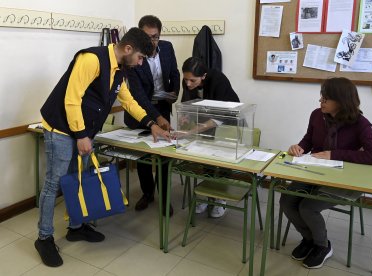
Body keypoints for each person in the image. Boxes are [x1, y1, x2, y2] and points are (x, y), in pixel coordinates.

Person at [36, 27, 170, 267]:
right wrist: (80, 135)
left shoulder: (120, 70)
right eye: (140, 57)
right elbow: (72, 98)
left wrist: (152, 124)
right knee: (54, 182)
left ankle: (76, 227)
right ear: (128, 49)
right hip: (60, 128)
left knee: (78, 178)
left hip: (83, 131)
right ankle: (43, 238)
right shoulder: (91, 59)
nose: (140, 63)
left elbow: (129, 101)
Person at [279, 77, 372, 269]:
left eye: (326, 98)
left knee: (307, 207)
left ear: (342, 101)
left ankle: (322, 245)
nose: (321, 102)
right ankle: (309, 239)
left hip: (344, 181)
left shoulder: (360, 123)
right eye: (321, 97)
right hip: (315, 173)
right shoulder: (316, 115)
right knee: (286, 200)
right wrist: (299, 148)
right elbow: (308, 139)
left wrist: (334, 154)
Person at [124, 15, 180, 216]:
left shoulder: (167, 47)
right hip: (142, 111)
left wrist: (174, 94)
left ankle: (164, 197)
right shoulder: (133, 59)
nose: (151, 41)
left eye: (155, 37)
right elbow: (138, 96)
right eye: (147, 37)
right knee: (144, 155)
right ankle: (147, 193)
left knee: (164, 153)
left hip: (163, 106)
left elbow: (175, 72)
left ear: (160, 35)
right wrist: (156, 118)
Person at [181, 57, 239, 218]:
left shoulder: (218, 80)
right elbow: (186, 104)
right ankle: (206, 196)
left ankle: (220, 199)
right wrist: (184, 118)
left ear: (204, 76)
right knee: (205, 162)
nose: (188, 84)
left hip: (227, 123)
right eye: (185, 79)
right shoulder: (187, 80)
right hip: (204, 124)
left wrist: (194, 130)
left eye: (192, 80)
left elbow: (221, 116)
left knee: (223, 163)